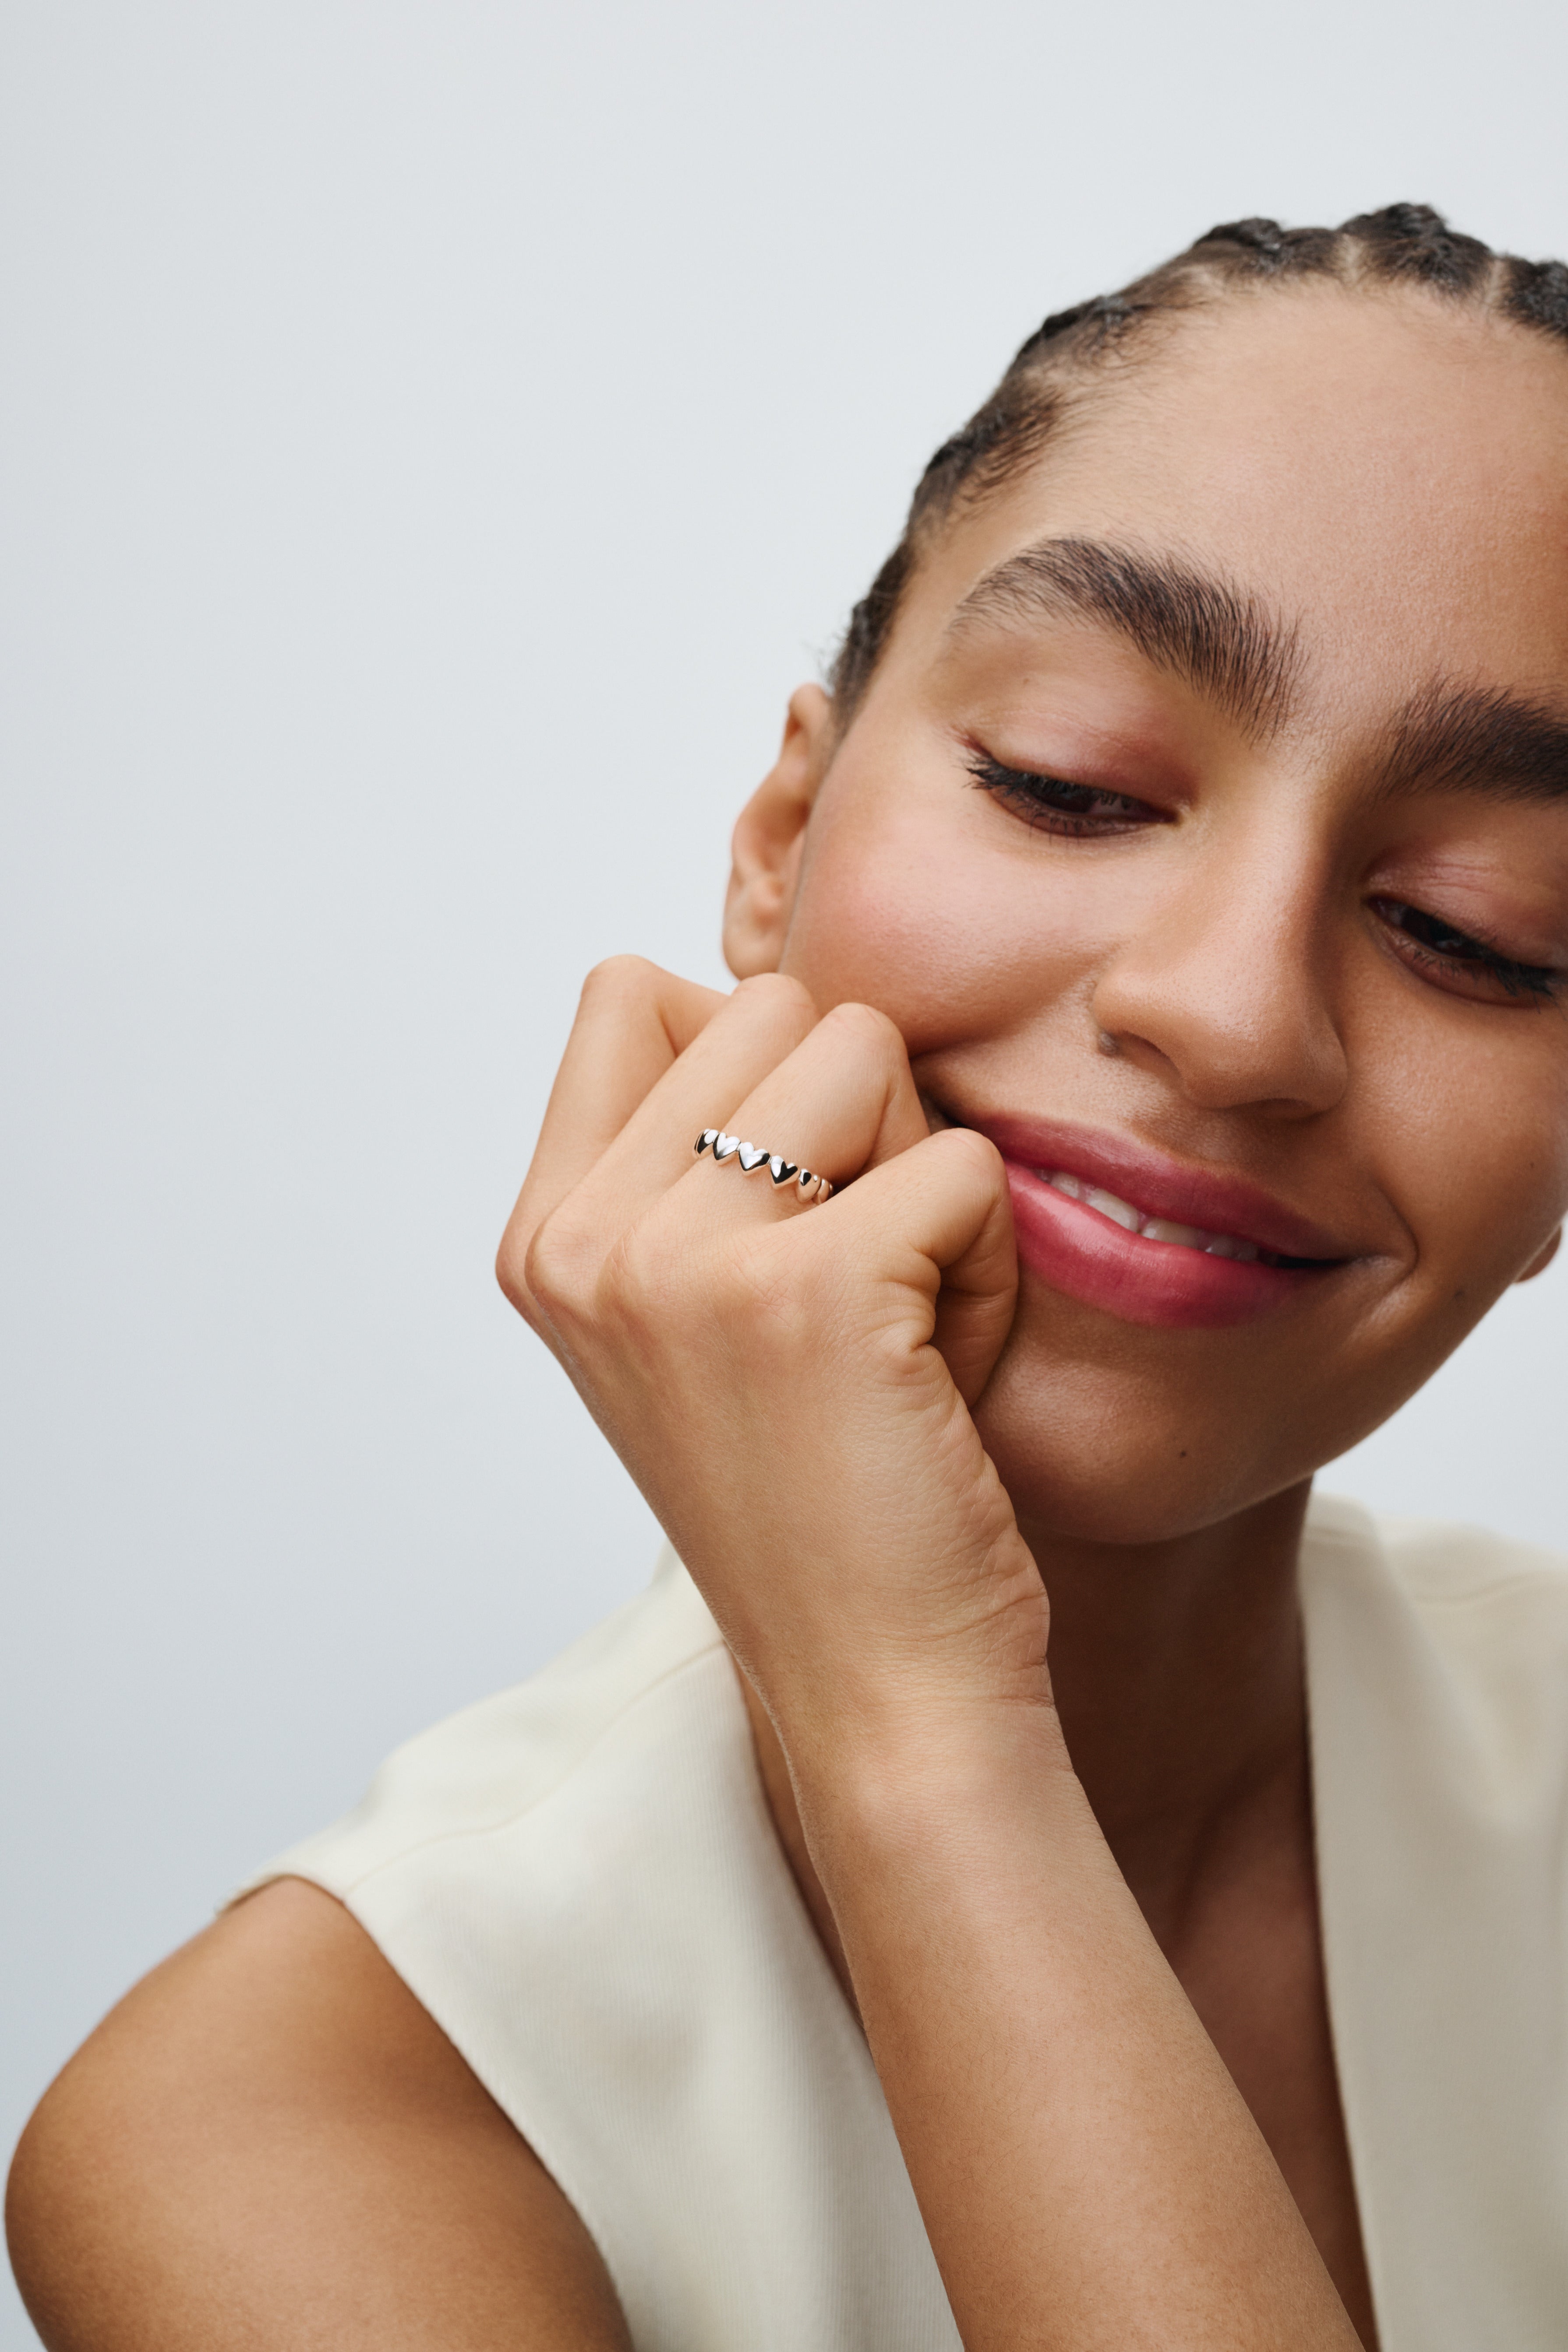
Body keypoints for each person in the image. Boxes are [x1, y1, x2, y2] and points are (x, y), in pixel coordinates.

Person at [9, 201, 1568, 2352]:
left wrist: (925, 1739)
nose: (1229, 1012)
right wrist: (917, 1732)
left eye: (1485, 927)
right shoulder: (290, 2125)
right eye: (1071, 783)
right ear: (778, 843)